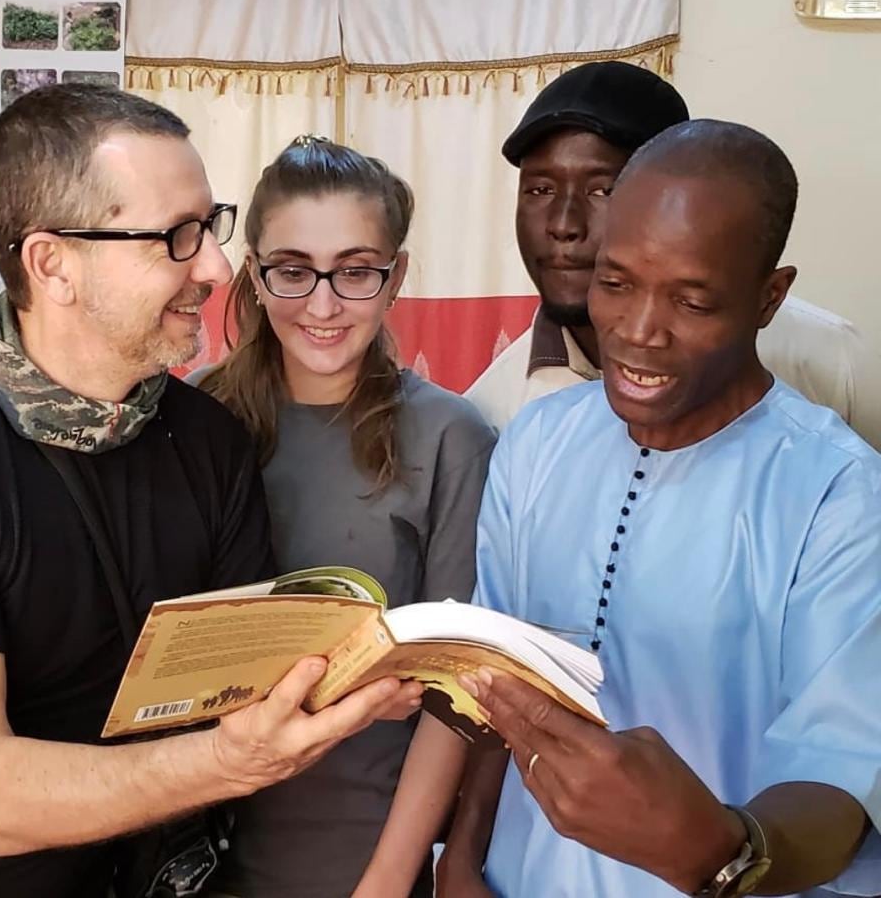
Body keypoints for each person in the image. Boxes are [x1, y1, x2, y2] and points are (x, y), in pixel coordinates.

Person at [0, 86, 421, 898]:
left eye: (210, 224)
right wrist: (228, 761)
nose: (219, 268)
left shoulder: (210, 440)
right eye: (175, 237)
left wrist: (362, 681)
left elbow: (243, 683)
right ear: (52, 264)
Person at [438, 120, 881, 897]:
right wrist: (463, 861)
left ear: (769, 297)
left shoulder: (839, 498)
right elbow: (499, 694)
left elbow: (840, 785)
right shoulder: (536, 442)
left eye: (692, 300)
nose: (638, 332)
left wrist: (721, 849)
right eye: (615, 283)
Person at [195, 136, 496, 898]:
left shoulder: (451, 437)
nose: (323, 305)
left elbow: (454, 694)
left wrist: (387, 880)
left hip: (362, 854)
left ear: (394, 278)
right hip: (190, 845)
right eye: (293, 271)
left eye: (355, 271)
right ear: (254, 275)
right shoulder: (192, 418)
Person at [466, 61, 881, 447]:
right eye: (540, 190)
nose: (563, 224)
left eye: (603, 190)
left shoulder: (829, 359)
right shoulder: (493, 412)